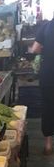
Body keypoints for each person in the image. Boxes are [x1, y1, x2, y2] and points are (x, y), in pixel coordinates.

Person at [31, 18, 54, 154]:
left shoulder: (46, 27)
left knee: (48, 106)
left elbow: (35, 49)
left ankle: (48, 145)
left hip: (48, 74)